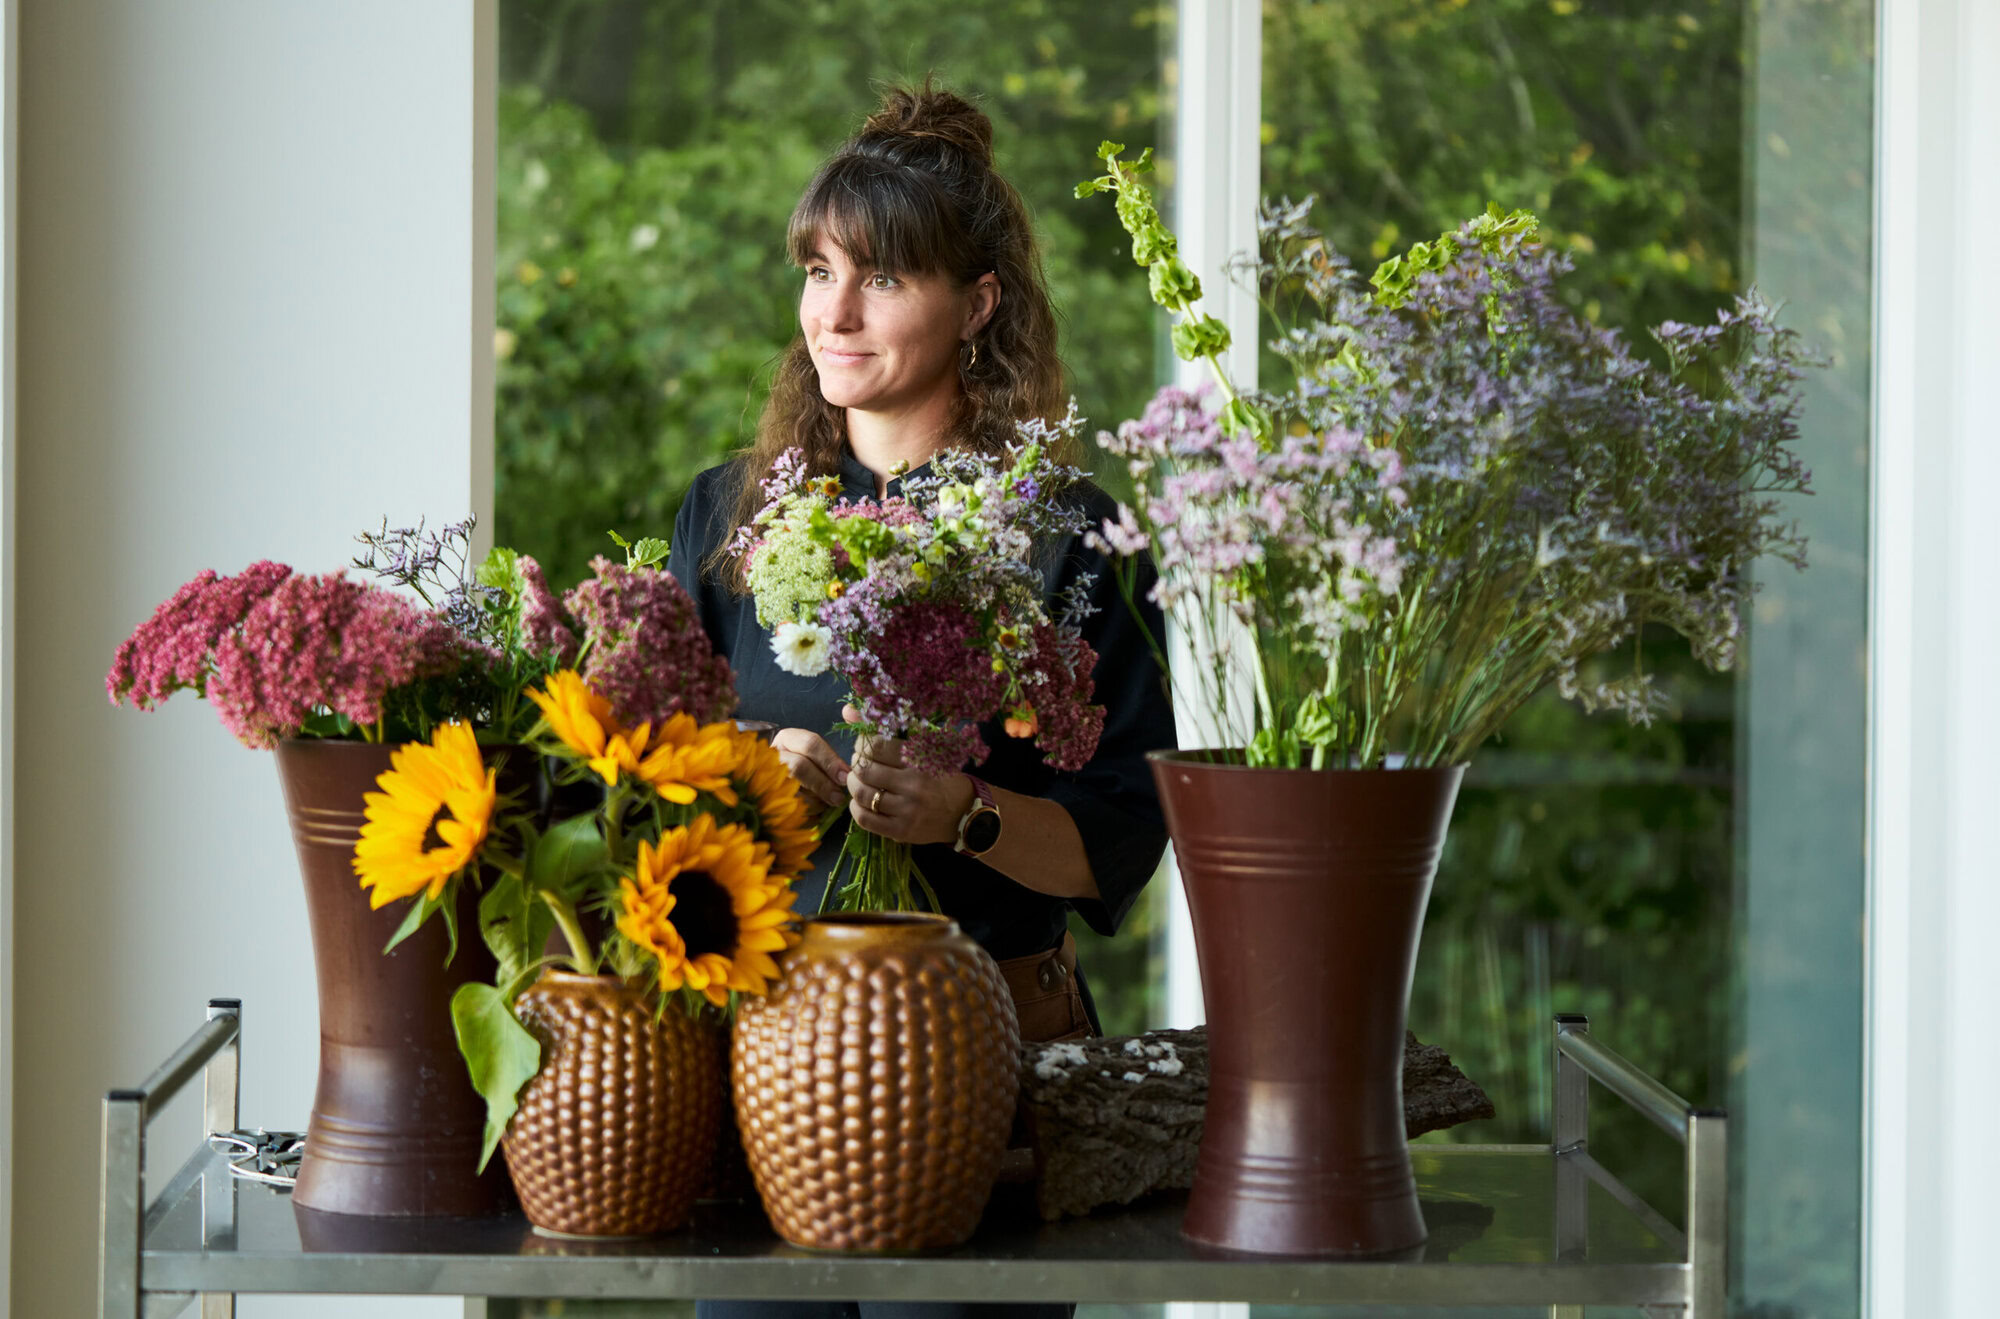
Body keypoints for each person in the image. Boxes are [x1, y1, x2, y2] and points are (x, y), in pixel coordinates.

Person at [667, 83, 1173, 1318]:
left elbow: (1124, 831)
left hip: (987, 1063)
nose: (832, 314)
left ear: (976, 305)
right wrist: (745, 769)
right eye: (818, 271)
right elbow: (641, 780)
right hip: (761, 1059)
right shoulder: (728, 513)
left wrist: (964, 812)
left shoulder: (1069, 537)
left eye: (882, 279)